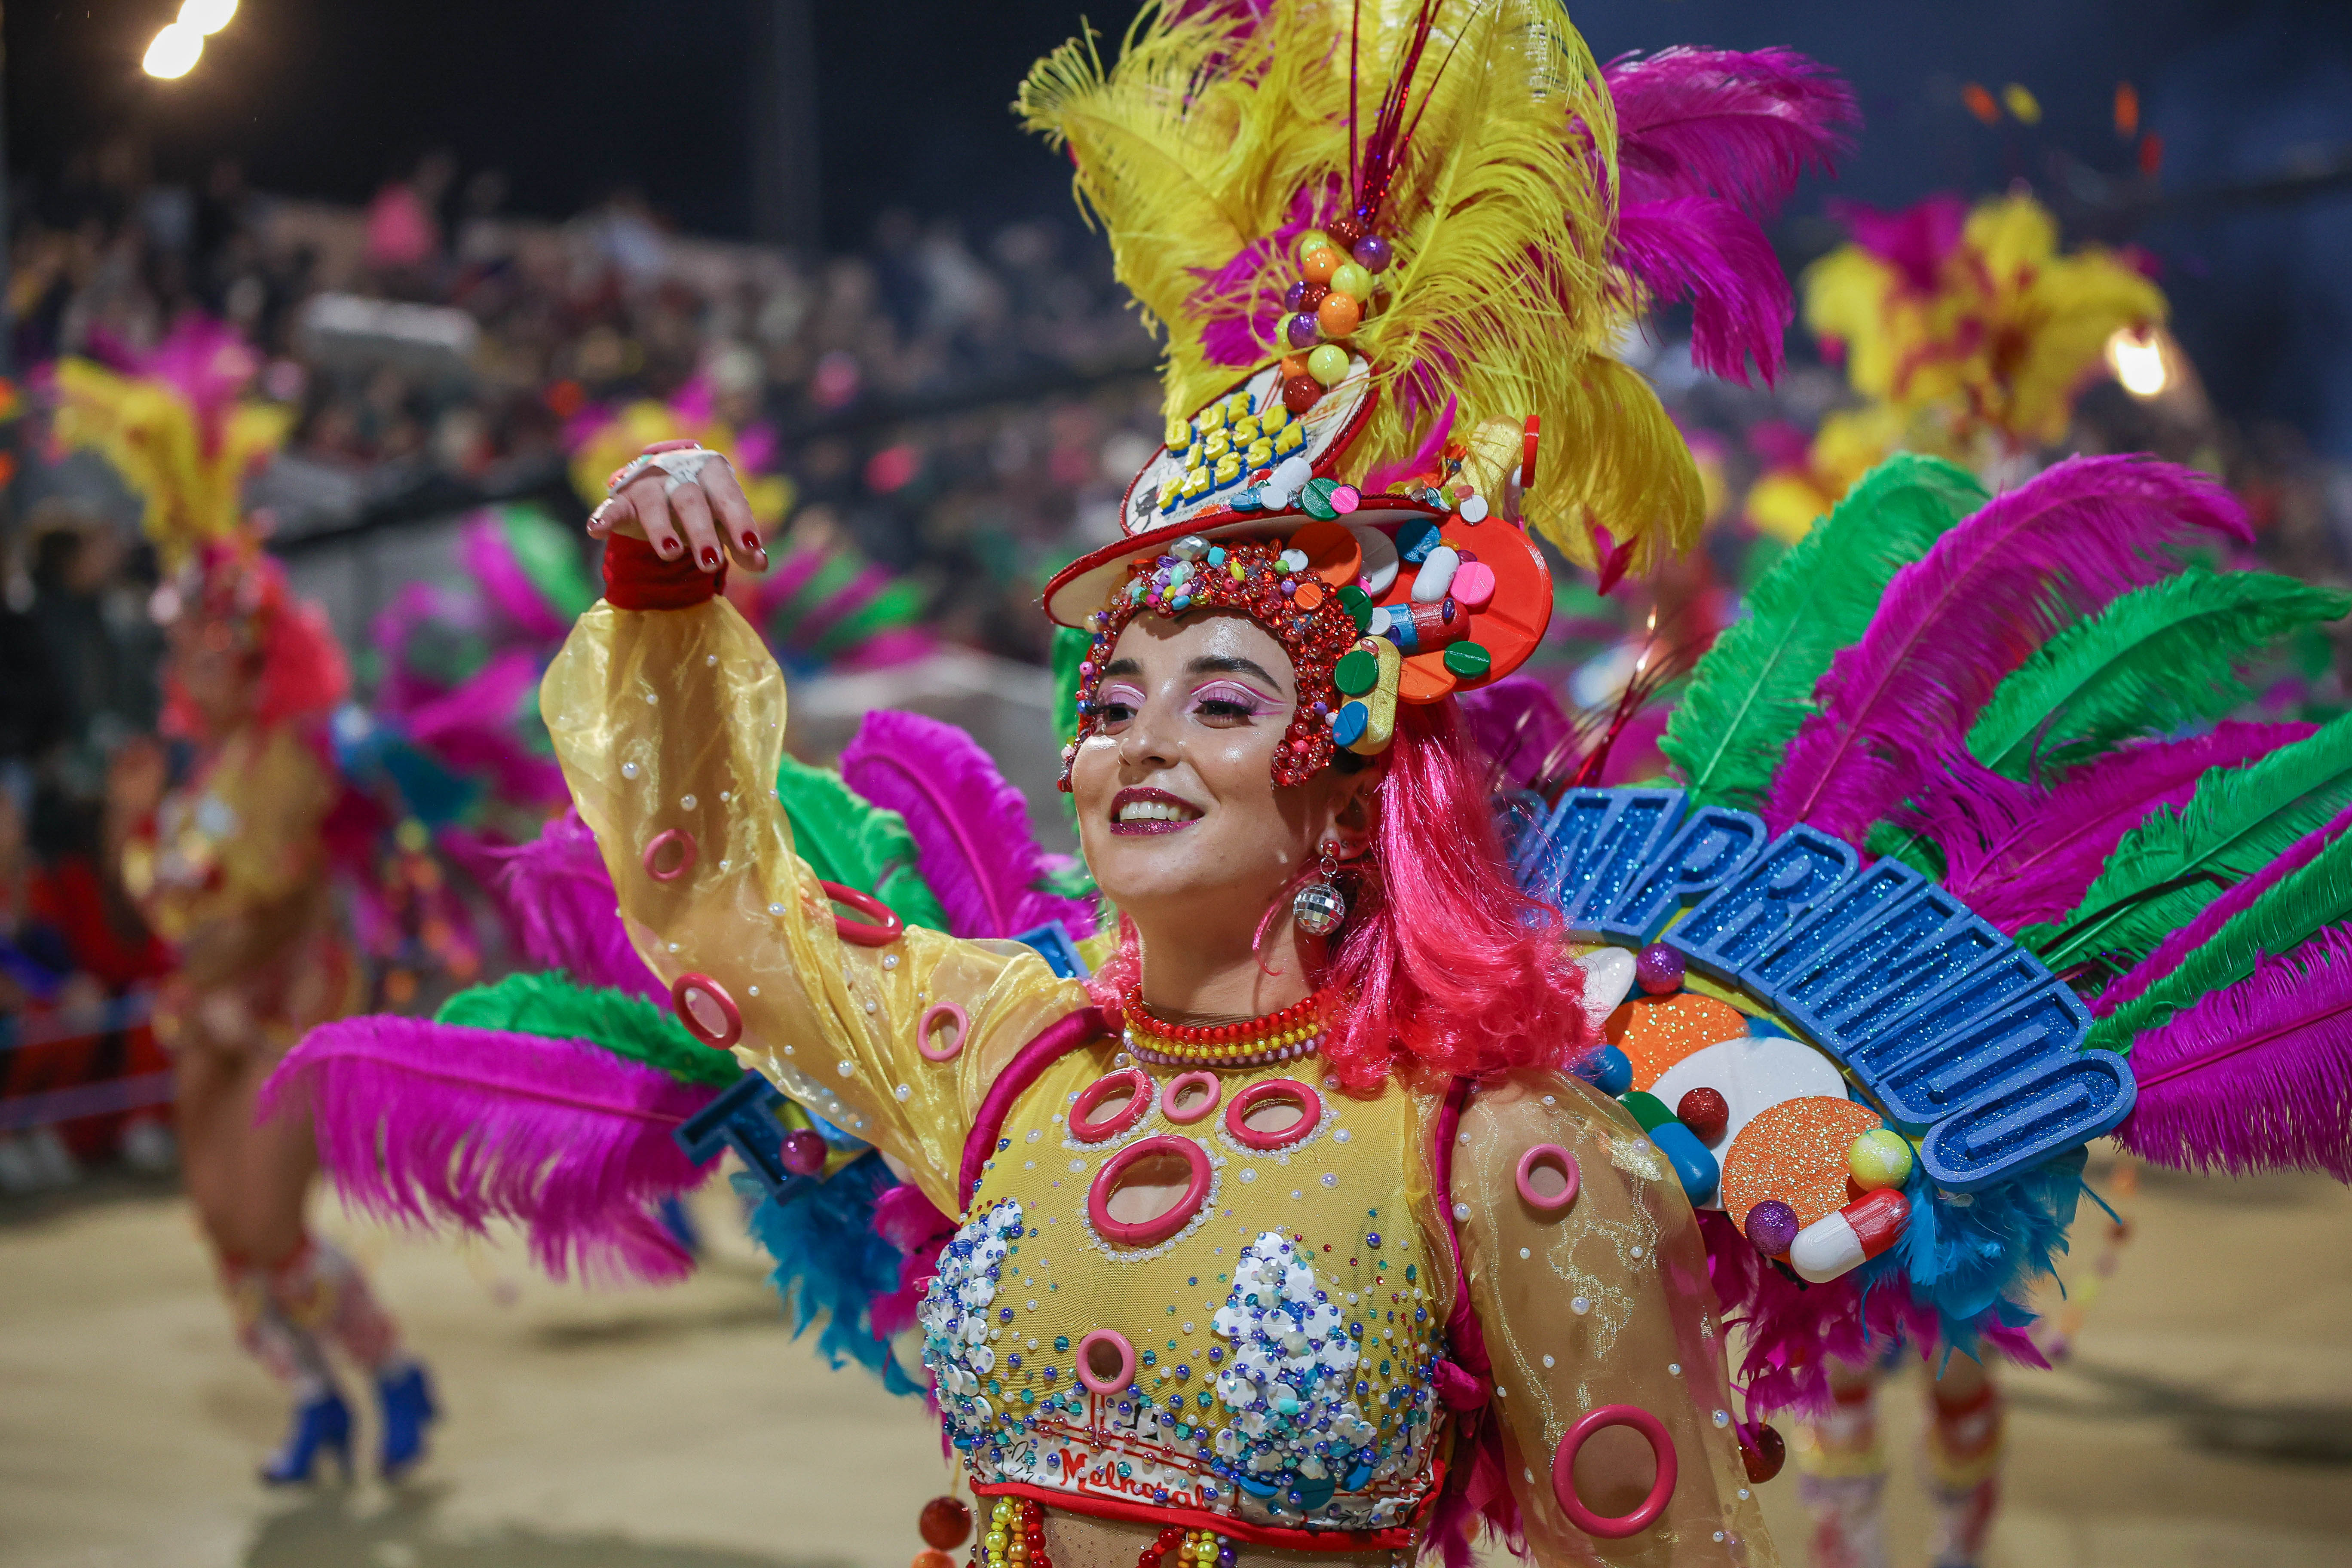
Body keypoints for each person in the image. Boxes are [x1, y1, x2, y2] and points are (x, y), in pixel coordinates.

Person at [538, 7, 1860, 1562]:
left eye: (1221, 700)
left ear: (1351, 791)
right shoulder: (1008, 1053)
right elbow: (718, 911)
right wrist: (665, 612)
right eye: (1112, 703)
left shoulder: (1495, 1149)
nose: (1140, 741)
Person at [49, 322, 438, 1485]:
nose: (189, 670)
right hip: (204, 1011)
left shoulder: (291, 761)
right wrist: (128, 828)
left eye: (210, 652)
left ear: (254, 656)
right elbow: (151, 913)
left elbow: (291, 892)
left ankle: (392, 1371)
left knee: (272, 1228)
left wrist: (232, 972)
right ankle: (315, 1401)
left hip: (284, 1010)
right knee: (225, 1237)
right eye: (184, 654)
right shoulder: (190, 776)